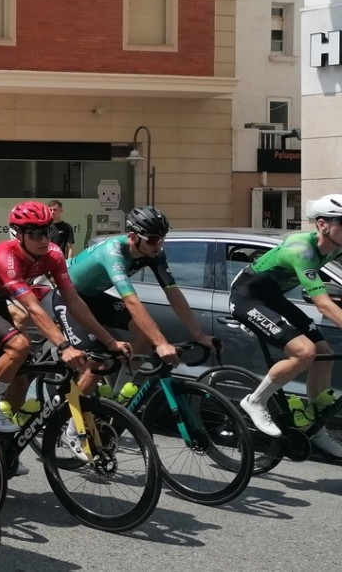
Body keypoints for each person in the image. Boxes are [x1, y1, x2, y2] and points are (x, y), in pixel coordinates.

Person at [53, 205, 216, 457]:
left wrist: (198, 334)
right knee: (100, 360)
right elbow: (131, 300)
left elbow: (173, 294)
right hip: (68, 296)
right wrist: (160, 343)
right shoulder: (114, 251)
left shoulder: (154, 253)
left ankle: (119, 394)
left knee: (144, 333)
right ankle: (72, 429)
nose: (157, 245)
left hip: (94, 296)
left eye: (162, 239)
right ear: (133, 236)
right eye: (152, 239)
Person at [0, 201, 129, 433]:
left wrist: (109, 341)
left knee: (20, 380)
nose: (45, 240)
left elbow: (73, 300)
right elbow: (33, 308)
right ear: (17, 235)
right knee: (19, 345)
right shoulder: (6, 257)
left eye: (47, 231)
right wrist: (64, 346)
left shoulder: (53, 254)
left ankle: (2, 447)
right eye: (36, 234)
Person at [229, 194, 342, 458]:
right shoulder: (301, 248)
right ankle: (255, 400)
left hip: (273, 298)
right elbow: (323, 304)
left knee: (324, 353)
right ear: (323, 224)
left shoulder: (336, 245)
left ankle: (316, 429)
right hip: (247, 297)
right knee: (304, 352)